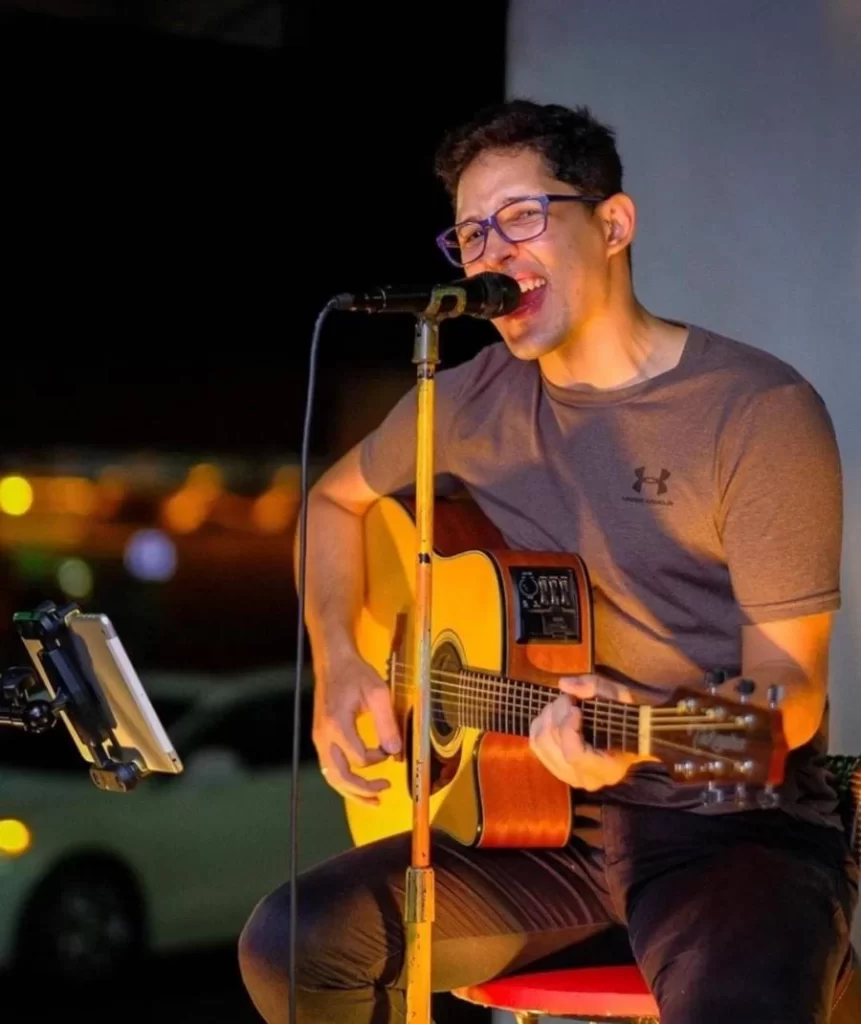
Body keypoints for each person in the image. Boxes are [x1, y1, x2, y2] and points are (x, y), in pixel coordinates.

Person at [237, 98, 858, 1024]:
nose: (491, 253)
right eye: (469, 235)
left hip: (725, 820)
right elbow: (332, 501)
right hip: (533, 831)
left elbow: (787, 695)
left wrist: (645, 724)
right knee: (296, 944)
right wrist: (341, 663)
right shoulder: (463, 398)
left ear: (612, 224)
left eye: (522, 217)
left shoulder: (754, 410)